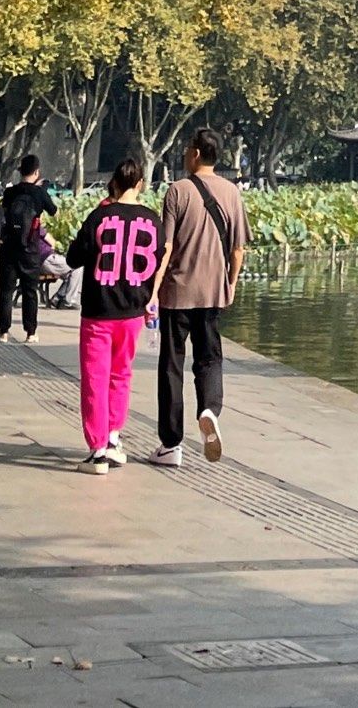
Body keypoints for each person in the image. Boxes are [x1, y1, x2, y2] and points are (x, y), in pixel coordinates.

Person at [150, 128, 248, 469]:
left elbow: (166, 247)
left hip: (177, 292)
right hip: (212, 292)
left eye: (186, 149)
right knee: (209, 359)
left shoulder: (177, 191)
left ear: (194, 154)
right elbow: (238, 250)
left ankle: (170, 444)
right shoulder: (232, 193)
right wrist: (231, 284)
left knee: (171, 366)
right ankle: (209, 408)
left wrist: (153, 288)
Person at [67, 157, 165, 469]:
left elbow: (73, 258)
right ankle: (112, 436)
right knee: (121, 375)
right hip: (133, 312)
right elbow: (160, 262)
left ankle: (97, 451)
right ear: (140, 185)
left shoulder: (99, 216)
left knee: (95, 378)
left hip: (98, 310)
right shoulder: (152, 221)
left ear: (115, 183)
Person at [0, 154, 56, 343]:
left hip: (10, 247)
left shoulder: (11, 192)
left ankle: (3, 331)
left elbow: (4, 212)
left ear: (20, 171)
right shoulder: (39, 193)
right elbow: (54, 211)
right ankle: (31, 332)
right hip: (30, 248)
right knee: (30, 291)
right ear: (37, 172)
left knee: (6, 290)